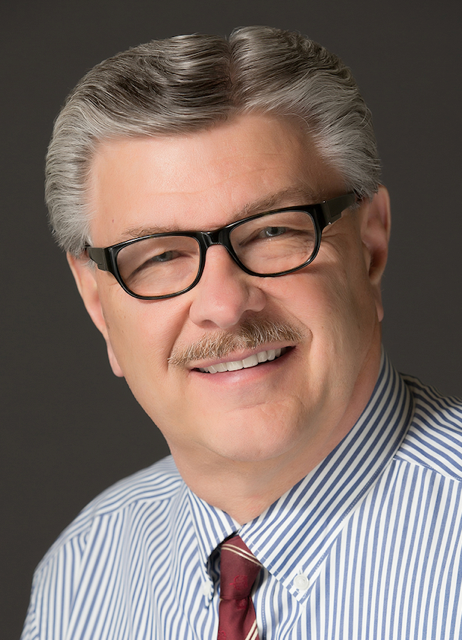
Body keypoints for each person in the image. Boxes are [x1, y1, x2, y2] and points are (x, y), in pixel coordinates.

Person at [22, 26, 462, 640]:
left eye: (273, 232)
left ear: (370, 243)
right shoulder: (86, 570)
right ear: (98, 302)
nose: (225, 305)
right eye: (159, 257)